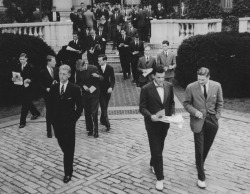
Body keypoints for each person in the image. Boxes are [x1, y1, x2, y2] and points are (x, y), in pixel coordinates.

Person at [183, 67, 223, 189]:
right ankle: (201, 177)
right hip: (198, 121)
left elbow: (220, 103)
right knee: (199, 149)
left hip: (212, 121)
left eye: (203, 79)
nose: (200, 81)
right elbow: (186, 104)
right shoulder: (190, 87)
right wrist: (195, 112)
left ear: (208, 77)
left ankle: (200, 163)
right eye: (198, 79)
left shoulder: (217, 86)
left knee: (206, 147)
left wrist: (216, 116)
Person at [139, 65, 175, 191]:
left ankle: (152, 162)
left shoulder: (169, 86)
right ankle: (160, 178)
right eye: (159, 77)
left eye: (163, 77)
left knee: (159, 146)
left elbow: (171, 103)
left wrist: (173, 114)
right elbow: (142, 107)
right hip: (152, 124)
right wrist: (151, 116)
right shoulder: (146, 89)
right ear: (153, 76)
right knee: (157, 150)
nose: (161, 80)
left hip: (165, 123)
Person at [49, 65, 83, 183]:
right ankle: (69, 156)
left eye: (64, 74)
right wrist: (51, 123)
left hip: (69, 123)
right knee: (63, 144)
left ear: (69, 75)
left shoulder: (74, 88)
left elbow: (80, 106)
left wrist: (73, 118)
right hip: (57, 124)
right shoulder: (54, 88)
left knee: (69, 148)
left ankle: (68, 172)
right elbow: (50, 106)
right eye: (60, 73)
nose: (61, 76)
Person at [12, 53, 40, 128]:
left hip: (30, 88)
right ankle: (36, 113)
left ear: (26, 59)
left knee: (25, 105)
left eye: (23, 59)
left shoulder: (31, 66)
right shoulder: (18, 66)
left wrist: (30, 80)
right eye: (20, 59)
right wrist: (14, 79)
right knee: (27, 102)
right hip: (21, 88)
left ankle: (22, 122)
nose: (21, 61)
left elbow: (36, 77)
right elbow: (16, 76)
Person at [75, 60, 103, 138]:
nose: (80, 70)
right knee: (87, 113)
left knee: (94, 113)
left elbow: (100, 79)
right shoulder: (78, 70)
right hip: (85, 94)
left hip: (94, 94)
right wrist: (83, 86)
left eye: (81, 69)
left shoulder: (93, 68)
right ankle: (90, 130)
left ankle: (96, 131)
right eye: (79, 70)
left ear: (84, 65)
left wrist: (97, 77)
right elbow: (78, 81)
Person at [39, 55, 59, 138]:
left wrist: (57, 83)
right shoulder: (42, 72)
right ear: (49, 62)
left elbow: (60, 80)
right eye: (54, 61)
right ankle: (49, 131)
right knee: (49, 112)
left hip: (56, 95)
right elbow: (39, 84)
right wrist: (46, 88)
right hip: (48, 95)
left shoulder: (56, 69)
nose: (55, 62)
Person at [97, 54, 115, 131]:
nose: (98, 62)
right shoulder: (97, 68)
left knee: (105, 105)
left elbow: (113, 79)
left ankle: (102, 119)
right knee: (103, 106)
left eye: (100, 60)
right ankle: (107, 124)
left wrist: (111, 87)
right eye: (98, 60)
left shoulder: (110, 68)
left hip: (107, 91)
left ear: (105, 61)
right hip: (100, 91)